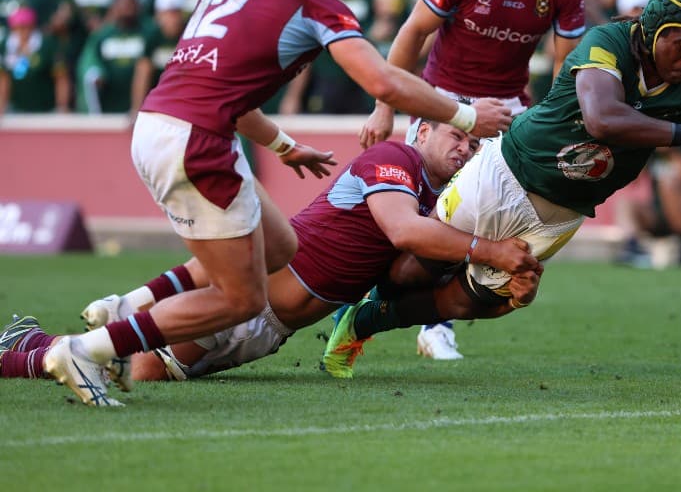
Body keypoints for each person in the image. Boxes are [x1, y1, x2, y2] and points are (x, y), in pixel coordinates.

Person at [39, 0, 513, 407]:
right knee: (243, 298)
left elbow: (229, 93)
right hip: (198, 138)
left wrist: (286, 146)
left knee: (280, 245)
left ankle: (127, 303)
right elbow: (383, 81)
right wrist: (467, 114)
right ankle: (91, 348)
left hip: (160, 122)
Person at [323, 0, 681, 376]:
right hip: (507, 171)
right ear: (653, 32)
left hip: (562, 213)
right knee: (415, 268)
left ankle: (363, 324)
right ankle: (347, 300)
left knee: (469, 301)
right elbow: (601, 118)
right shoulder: (608, 42)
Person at [0, 121, 540, 383]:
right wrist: (490, 250)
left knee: (133, 367)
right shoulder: (394, 157)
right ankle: (22, 354)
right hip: (251, 298)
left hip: (272, 330)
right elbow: (402, 233)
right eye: (455, 134)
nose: (465, 148)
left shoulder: (435, 200)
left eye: (473, 145)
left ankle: (32, 343)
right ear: (421, 130)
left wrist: (499, 288)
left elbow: (403, 268)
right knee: (133, 370)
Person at [359, 0, 587, 360]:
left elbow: (569, 70)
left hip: (508, 109)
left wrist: (562, 125)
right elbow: (412, 32)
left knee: (496, 222)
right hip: (444, 100)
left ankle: (444, 317)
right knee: (432, 217)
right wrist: (385, 105)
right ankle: (391, 309)